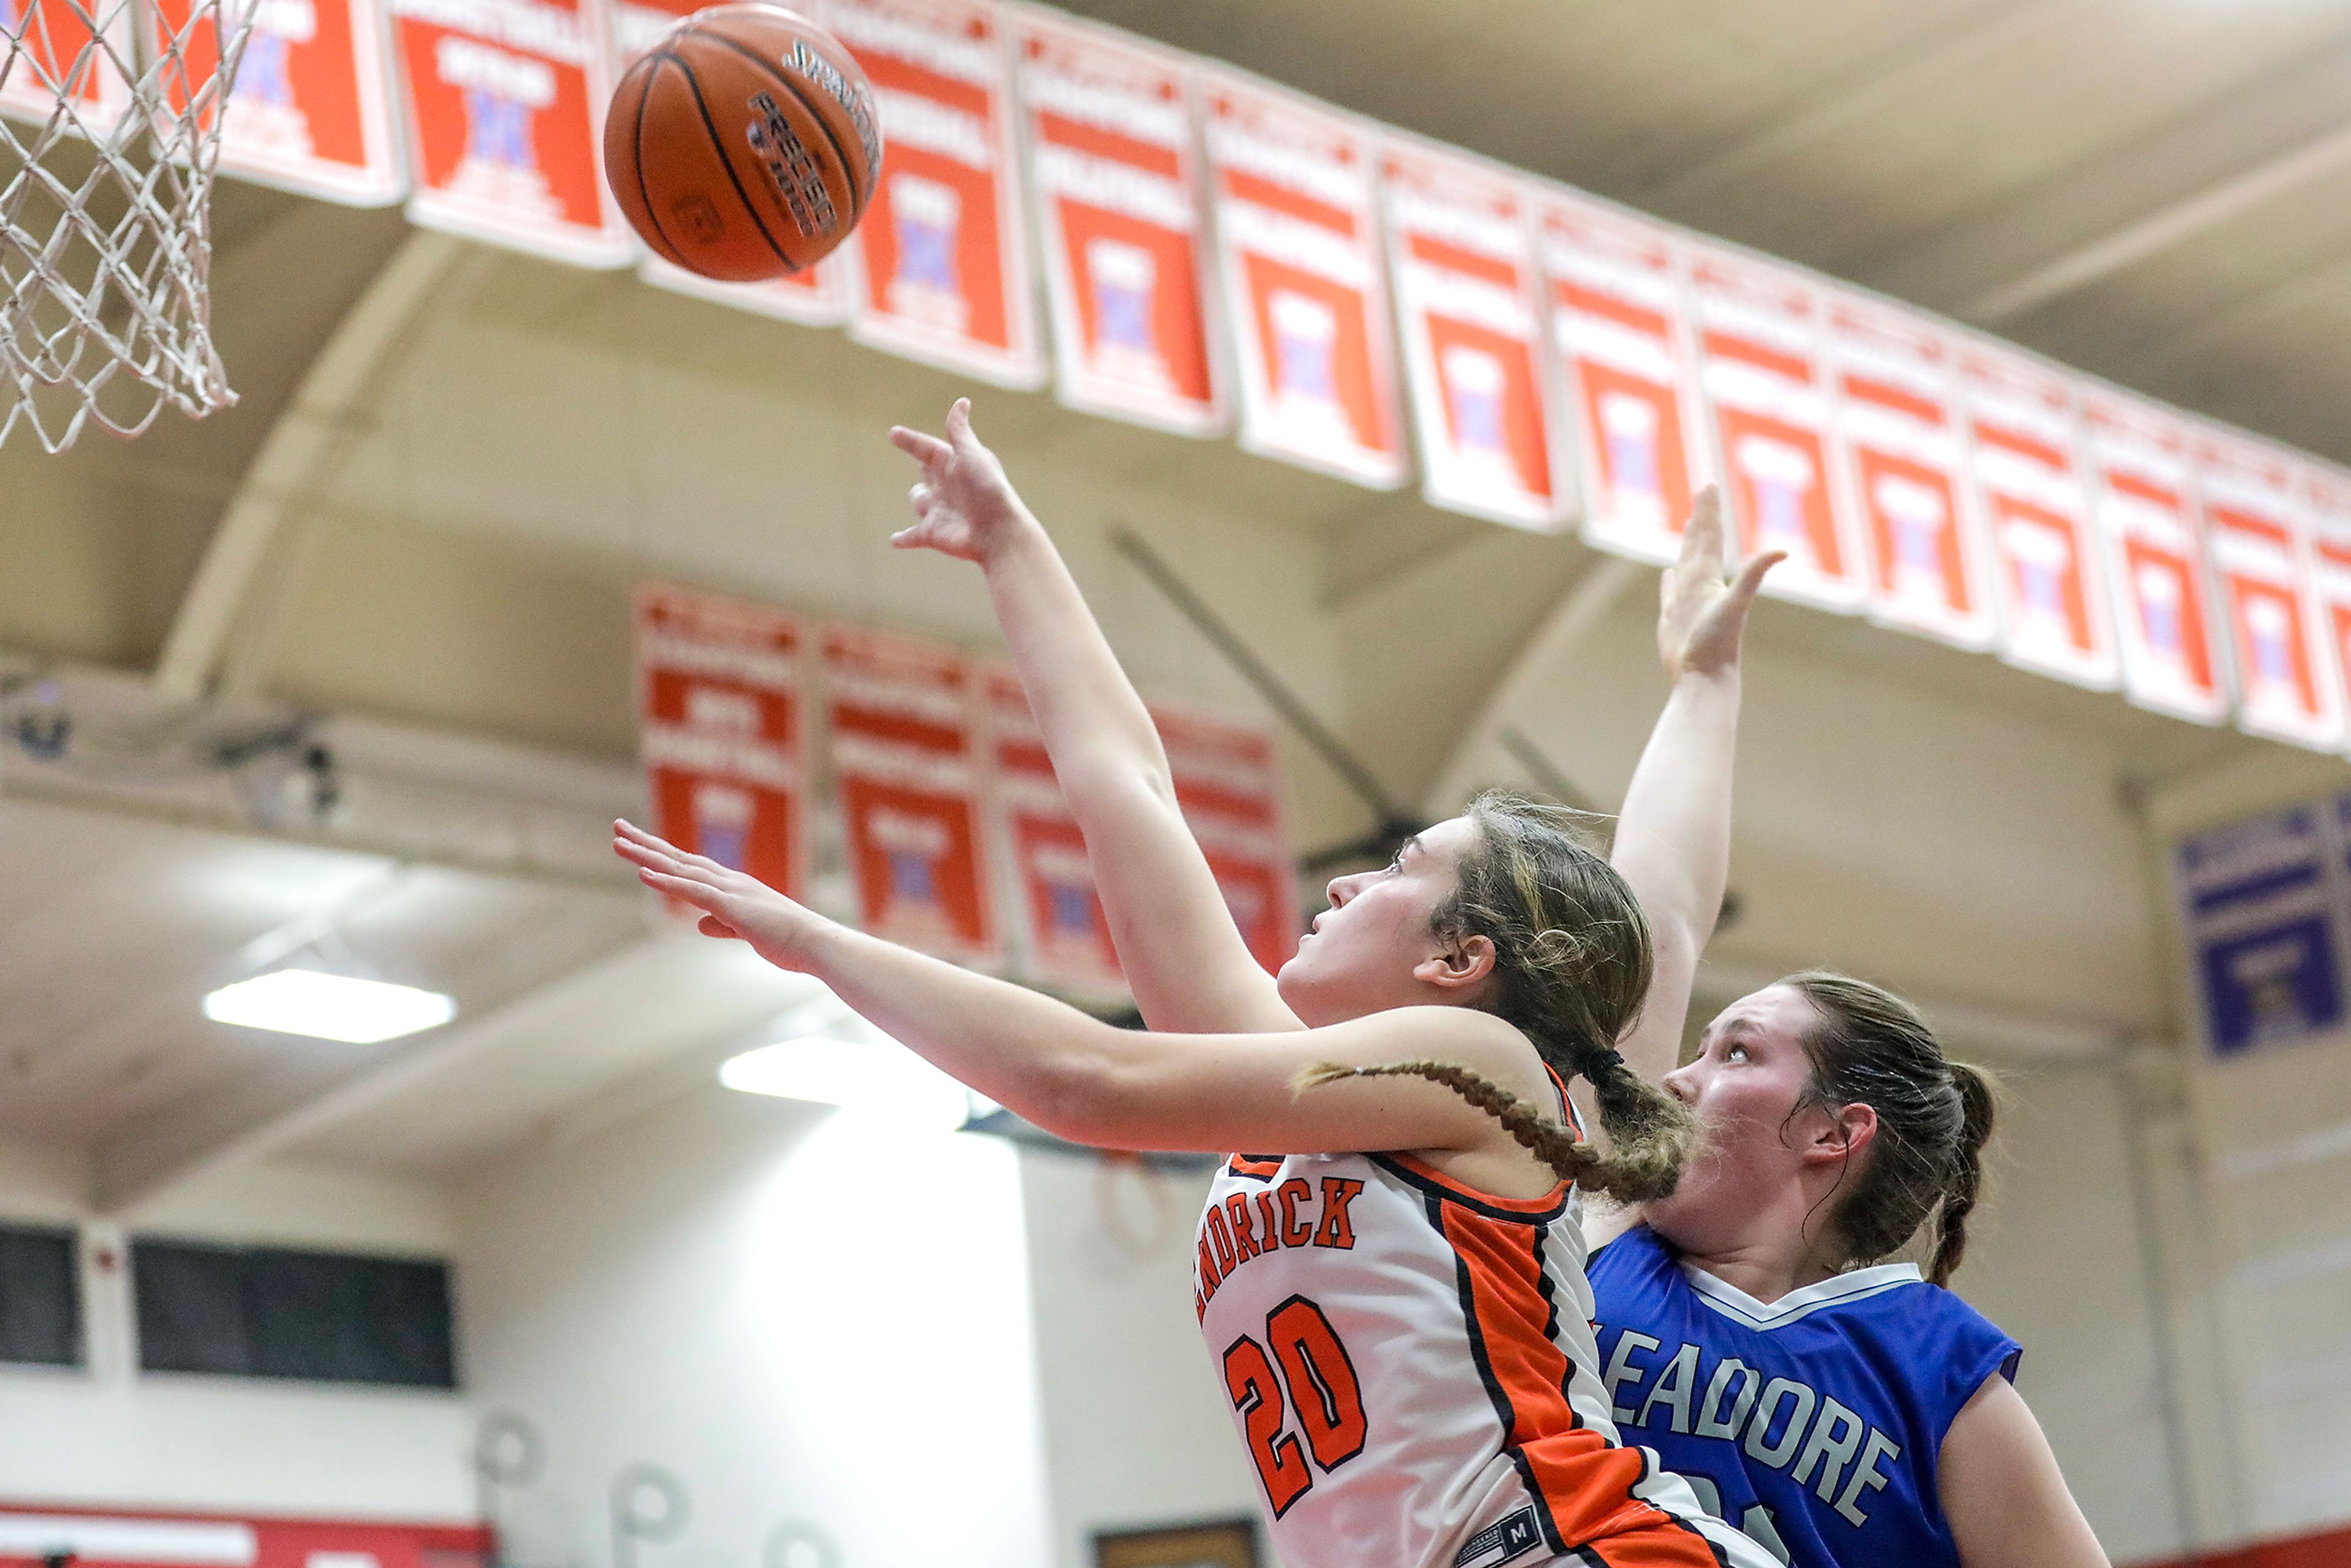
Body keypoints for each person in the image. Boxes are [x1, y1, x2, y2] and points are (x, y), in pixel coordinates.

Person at [883, 401, 2108, 1568]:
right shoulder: (1574, 1215)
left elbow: (1664, 914)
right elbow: (1658, 908)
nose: (1679, 1066)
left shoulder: (1931, 1366)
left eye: (1738, 1056)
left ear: (1835, 1134)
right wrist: (1704, 680)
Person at [615, 430, 1784, 1568]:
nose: (1343, 876)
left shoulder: (1476, 1064)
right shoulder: (1301, 1082)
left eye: (1398, 869)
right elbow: (1126, 791)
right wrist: (1012, 546)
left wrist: (820, 939)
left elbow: (1087, 1078)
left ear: (1458, 959)